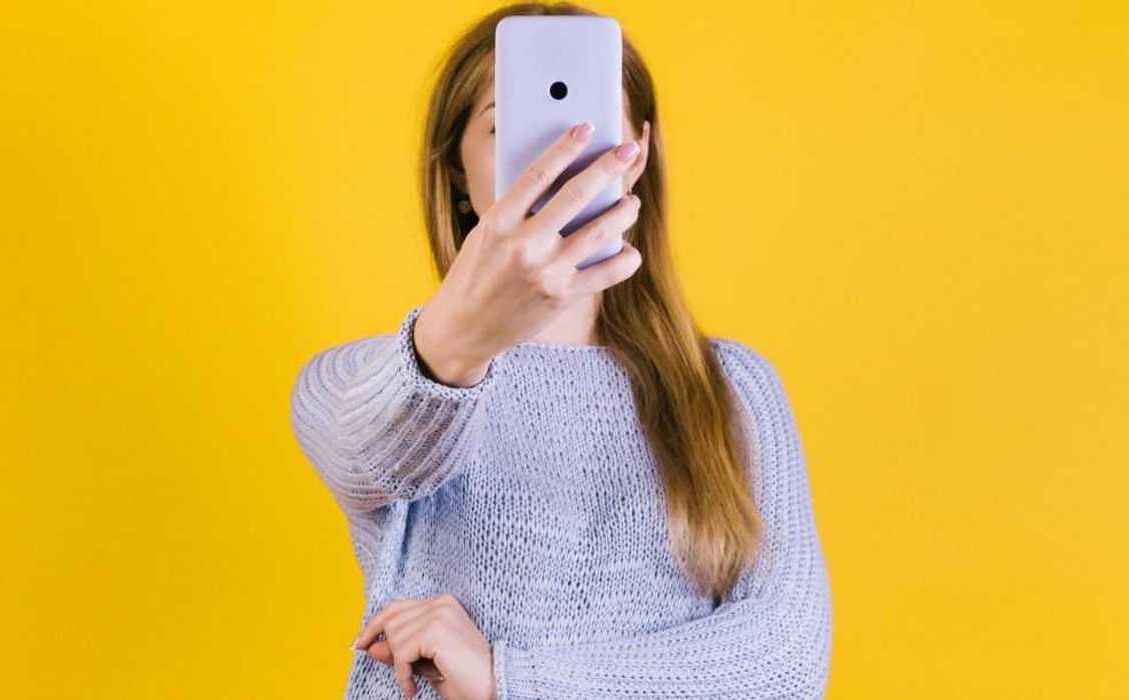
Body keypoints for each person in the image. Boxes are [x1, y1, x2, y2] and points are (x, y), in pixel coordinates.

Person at [288, 3, 832, 698]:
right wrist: (461, 339)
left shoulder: (730, 388)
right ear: (457, 169)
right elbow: (377, 452)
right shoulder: (355, 385)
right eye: (504, 128)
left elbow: (783, 665)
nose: (555, 159)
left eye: (589, 128)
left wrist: (507, 678)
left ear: (639, 150)